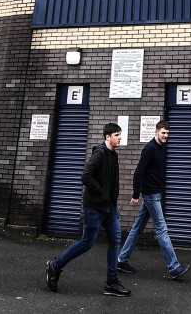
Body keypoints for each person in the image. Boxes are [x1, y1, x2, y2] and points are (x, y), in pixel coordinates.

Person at [46, 123, 131, 298]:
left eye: (120, 134)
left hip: (110, 208)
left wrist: (112, 199)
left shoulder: (114, 155)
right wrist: (101, 192)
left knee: (115, 240)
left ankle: (111, 282)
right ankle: (56, 265)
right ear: (108, 137)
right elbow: (85, 176)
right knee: (87, 243)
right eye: (117, 135)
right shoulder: (99, 153)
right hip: (95, 208)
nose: (120, 138)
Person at [117, 120, 191, 280]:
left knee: (137, 228)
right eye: (163, 133)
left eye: (168, 133)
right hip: (150, 194)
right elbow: (138, 173)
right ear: (156, 132)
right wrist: (136, 194)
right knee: (162, 229)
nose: (166, 136)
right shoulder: (149, 149)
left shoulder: (160, 147)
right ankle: (174, 267)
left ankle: (121, 260)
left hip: (155, 192)